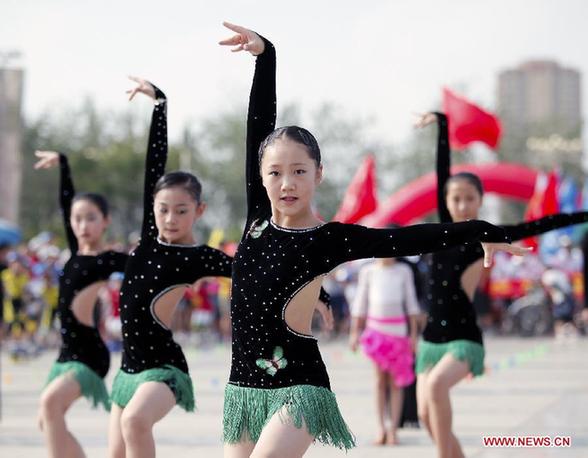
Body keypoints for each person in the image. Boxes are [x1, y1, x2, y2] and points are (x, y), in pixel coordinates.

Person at [220, 23, 526, 457]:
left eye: (300, 171)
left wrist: (480, 229)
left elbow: (411, 239)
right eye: (275, 172)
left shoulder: (329, 239)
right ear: (261, 175)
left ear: (319, 174)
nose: (286, 182)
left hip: (299, 387)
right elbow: (258, 127)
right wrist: (265, 57)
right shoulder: (255, 220)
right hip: (242, 389)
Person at [414, 111, 588, 458]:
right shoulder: (441, 233)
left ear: (480, 201)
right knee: (425, 417)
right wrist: (444, 125)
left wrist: (582, 215)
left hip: (463, 340)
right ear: (446, 202)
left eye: (469, 198)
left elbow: (540, 224)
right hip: (430, 341)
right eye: (455, 198)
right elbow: (442, 172)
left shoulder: (485, 235)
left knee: (436, 389)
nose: (462, 204)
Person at [107, 77, 233, 458]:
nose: (171, 218)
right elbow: (154, 166)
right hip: (126, 372)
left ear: (199, 211)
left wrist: (317, 291)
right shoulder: (147, 241)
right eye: (163, 209)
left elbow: (256, 270)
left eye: (182, 210)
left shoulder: (198, 257)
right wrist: (159, 104)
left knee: (135, 423)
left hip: (164, 371)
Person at [33, 150, 128, 458]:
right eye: (78, 219)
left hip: (89, 355)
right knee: (47, 421)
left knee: (50, 406)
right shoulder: (75, 252)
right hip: (66, 353)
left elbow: (146, 264)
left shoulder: (108, 259)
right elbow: (66, 202)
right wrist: (63, 164)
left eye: (91, 218)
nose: (83, 225)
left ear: (105, 221)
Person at [349, 257, 420, 445]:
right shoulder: (368, 271)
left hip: (398, 331)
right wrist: (354, 332)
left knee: (397, 382)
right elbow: (360, 303)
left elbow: (411, 302)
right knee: (379, 381)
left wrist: (414, 334)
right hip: (375, 331)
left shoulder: (403, 270)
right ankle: (380, 428)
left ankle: (393, 429)